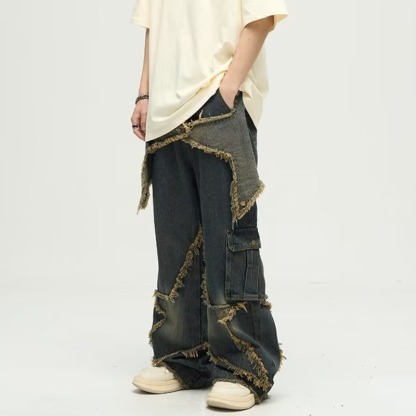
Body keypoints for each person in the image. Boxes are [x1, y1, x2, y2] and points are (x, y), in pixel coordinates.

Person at [129, 0, 288, 411]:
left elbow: (261, 17)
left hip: (218, 102)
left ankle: (244, 366)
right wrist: (145, 92)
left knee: (229, 238)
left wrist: (227, 90)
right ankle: (182, 356)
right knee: (175, 240)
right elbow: (153, 23)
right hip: (165, 111)